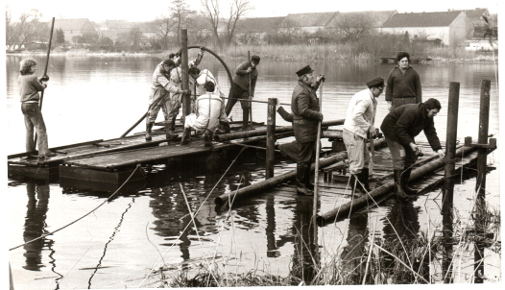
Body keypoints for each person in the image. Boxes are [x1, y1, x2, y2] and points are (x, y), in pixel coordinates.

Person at [380, 98, 445, 199]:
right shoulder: (412, 112)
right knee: (400, 157)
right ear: (428, 109)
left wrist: (438, 149)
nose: (435, 115)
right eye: (434, 112)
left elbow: (431, 132)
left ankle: (404, 185)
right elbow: (399, 128)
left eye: (436, 113)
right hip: (392, 130)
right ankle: (398, 190)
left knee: (412, 156)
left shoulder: (427, 117)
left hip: (404, 132)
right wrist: (410, 143)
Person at [343, 77, 384, 194]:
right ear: (374, 88)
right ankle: (356, 192)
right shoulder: (366, 99)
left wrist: (369, 129)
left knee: (366, 159)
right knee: (356, 164)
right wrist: (369, 127)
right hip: (353, 134)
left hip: (359, 134)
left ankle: (365, 188)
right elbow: (356, 116)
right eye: (380, 90)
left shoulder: (368, 96)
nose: (381, 92)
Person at [291, 65, 325, 196]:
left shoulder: (305, 88)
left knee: (308, 158)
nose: (312, 77)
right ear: (304, 77)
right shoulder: (302, 91)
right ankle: (300, 186)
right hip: (304, 129)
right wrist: (318, 115)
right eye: (311, 75)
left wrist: (318, 81)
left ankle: (305, 182)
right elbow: (303, 110)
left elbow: (312, 91)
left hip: (308, 129)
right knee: (304, 159)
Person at [18, 58, 56, 159]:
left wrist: (39, 79)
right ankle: (44, 152)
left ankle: (29, 151)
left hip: (24, 106)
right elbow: (40, 87)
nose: (35, 68)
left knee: (29, 129)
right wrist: (44, 84)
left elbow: (31, 82)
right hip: (32, 105)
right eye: (33, 66)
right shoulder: (32, 77)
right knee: (41, 128)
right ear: (28, 67)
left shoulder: (21, 77)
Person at [145, 58, 188, 141]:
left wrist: (180, 56)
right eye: (170, 69)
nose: (170, 71)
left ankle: (169, 132)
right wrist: (181, 91)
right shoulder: (159, 74)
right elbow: (169, 86)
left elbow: (175, 62)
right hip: (157, 94)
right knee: (152, 114)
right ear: (165, 66)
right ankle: (148, 132)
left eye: (171, 69)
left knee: (170, 112)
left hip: (166, 94)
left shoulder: (166, 65)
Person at [180, 81, 230, 147]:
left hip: (202, 124)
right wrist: (228, 131)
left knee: (188, 118)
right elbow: (223, 116)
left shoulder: (199, 98)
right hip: (213, 126)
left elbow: (196, 113)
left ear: (205, 89)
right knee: (212, 119)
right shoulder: (220, 100)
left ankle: (184, 140)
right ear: (214, 89)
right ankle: (208, 137)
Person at [224, 55, 260, 124]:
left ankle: (245, 126)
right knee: (229, 106)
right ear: (251, 61)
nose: (254, 65)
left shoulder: (255, 72)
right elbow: (237, 71)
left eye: (256, 64)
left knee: (246, 107)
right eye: (254, 63)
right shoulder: (245, 64)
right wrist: (246, 71)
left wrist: (251, 95)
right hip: (235, 88)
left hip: (244, 91)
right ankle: (221, 123)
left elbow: (253, 85)